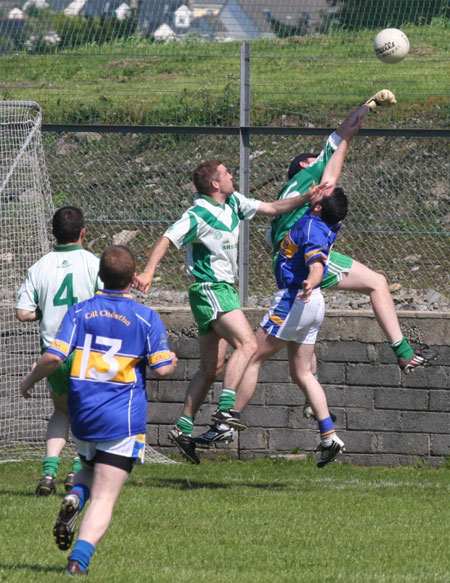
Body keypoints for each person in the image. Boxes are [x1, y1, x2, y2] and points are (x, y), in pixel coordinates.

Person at [196, 90, 438, 447]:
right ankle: (400, 355)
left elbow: (339, 150)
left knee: (297, 366)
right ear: (306, 169)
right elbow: (343, 137)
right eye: (312, 159)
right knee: (262, 355)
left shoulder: (293, 198)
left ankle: (318, 424)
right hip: (304, 262)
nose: (318, 159)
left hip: (295, 263)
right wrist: (366, 106)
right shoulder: (311, 189)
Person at [134, 159, 329, 464]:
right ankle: (226, 408)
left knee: (211, 368)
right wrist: (148, 272)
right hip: (210, 288)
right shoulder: (198, 213)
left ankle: (183, 426)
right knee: (248, 344)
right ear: (214, 184)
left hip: (223, 291)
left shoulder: (234, 202)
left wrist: (307, 197)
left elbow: (273, 208)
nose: (231, 177)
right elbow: (167, 238)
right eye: (225, 174)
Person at [20, 245, 177, 576]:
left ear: (99, 277)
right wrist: (172, 359)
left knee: (90, 469)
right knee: (105, 497)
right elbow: (162, 369)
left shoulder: (79, 312)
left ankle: (76, 495)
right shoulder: (145, 317)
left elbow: (55, 357)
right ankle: (79, 561)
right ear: (134, 278)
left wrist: (29, 379)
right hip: (121, 419)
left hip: (84, 414)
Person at [239, 187, 349, 467]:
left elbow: (316, 264)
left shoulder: (312, 226)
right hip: (313, 303)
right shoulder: (327, 221)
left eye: (322, 196)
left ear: (319, 208)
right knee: (302, 373)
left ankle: (228, 419)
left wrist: (312, 279)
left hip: (296, 297)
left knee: (251, 356)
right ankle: (328, 436)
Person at [16, 206, 102, 496]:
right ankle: (77, 468)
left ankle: (49, 472)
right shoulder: (93, 263)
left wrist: (45, 312)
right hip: (86, 348)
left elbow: (22, 313)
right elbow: (106, 300)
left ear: (53, 234)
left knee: (61, 411)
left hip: (54, 352)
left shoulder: (40, 266)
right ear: (83, 232)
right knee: (89, 412)